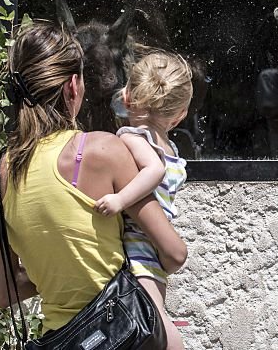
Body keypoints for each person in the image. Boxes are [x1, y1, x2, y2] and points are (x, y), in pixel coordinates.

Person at [0, 21, 187, 342]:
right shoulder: (103, 150)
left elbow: (5, 291)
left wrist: (52, 269)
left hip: (60, 340)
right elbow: (173, 253)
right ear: (74, 87)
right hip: (121, 334)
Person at [92, 50, 193, 350]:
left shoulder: (132, 137)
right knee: (155, 313)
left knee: (153, 321)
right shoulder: (171, 147)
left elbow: (154, 169)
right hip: (154, 250)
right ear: (180, 115)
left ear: (126, 98)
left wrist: (120, 200)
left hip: (136, 247)